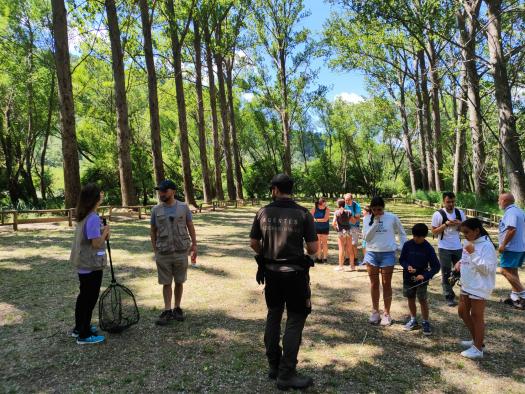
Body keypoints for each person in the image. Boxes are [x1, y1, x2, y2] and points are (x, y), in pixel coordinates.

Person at [249, 173, 317, 391]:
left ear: (275, 190)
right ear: (290, 189)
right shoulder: (303, 214)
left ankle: (274, 365)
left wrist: (266, 256)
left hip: (271, 274)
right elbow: (314, 248)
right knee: (295, 320)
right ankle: (287, 373)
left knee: (273, 316)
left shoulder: (263, 212)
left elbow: (253, 243)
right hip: (296, 275)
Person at [150, 180, 197, 326]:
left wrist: (194, 244)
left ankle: (177, 308)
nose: (161, 193)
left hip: (181, 250)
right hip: (163, 252)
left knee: (179, 281)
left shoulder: (183, 207)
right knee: (166, 282)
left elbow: (190, 225)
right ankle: (167, 310)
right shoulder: (155, 210)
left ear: (173, 191)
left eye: (164, 190)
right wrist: (155, 249)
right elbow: (153, 230)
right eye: (160, 191)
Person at [69, 183, 109, 345]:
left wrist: (103, 233)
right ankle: (84, 335)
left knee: (83, 297)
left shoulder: (84, 215)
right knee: (89, 299)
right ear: (94, 197)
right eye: (100, 194)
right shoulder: (92, 217)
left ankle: (79, 328)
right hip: (90, 265)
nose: (102, 196)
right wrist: (105, 231)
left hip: (83, 264)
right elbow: (96, 244)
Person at [455, 218, 497, 359]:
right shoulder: (469, 242)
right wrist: (460, 262)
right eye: (463, 233)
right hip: (467, 283)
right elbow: (466, 257)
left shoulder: (486, 246)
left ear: (477, 231)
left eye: (467, 232)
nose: (465, 235)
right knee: (462, 312)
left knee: (476, 316)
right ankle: (476, 341)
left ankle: (478, 349)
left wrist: (472, 253)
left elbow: (487, 269)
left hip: (479, 286)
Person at [363, 196, 407, 326]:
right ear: (371, 209)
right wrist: (375, 223)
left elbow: (402, 233)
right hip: (372, 254)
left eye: (380, 209)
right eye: (374, 209)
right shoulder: (367, 219)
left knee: (386, 283)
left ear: (384, 208)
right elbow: (367, 238)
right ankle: (375, 311)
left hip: (387, 254)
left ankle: (386, 313)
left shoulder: (392, 217)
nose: (377, 212)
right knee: (374, 284)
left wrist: (400, 247)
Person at [399, 223, 440, 335]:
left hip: (421, 279)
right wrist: (407, 266)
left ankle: (425, 322)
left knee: (422, 299)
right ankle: (413, 320)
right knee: (410, 298)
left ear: (424, 236)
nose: (415, 238)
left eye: (418, 236)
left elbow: (436, 266)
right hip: (408, 277)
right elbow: (402, 260)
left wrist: (425, 276)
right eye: (414, 235)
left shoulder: (428, 248)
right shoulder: (407, 245)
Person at [431, 192, 466, 307]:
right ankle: (449, 296)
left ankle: (465, 294)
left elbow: (466, 230)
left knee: (462, 271)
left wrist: (459, 224)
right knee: (446, 272)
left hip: (458, 247)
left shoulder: (460, 213)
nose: (451, 204)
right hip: (444, 247)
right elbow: (434, 231)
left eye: (452, 202)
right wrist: (445, 224)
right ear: (443, 202)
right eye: (448, 202)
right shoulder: (438, 214)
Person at [497, 192, 525, 309]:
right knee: (513, 272)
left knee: (504, 270)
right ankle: (515, 298)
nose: (498, 202)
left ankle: (523, 295)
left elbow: (512, 229)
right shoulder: (519, 211)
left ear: (504, 201)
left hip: (511, 248)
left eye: (499, 200)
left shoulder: (510, 213)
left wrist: (503, 244)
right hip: (520, 247)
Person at [333, 199, 353, 271]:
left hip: (341, 232)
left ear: (338, 205)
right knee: (350, 248)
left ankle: (341, 266)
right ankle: (352, 266)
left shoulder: (336, 212)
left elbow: (333, 223)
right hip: (348, 231)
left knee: (341, 249)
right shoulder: (349, 211)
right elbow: (352, 221)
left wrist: (337, 229)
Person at [311, 198, 330, 264]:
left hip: (325, 228)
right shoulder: (314, 209)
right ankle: (319, 258)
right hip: (316, 228)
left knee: (324, 243)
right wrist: (314, 220)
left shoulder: (327, 209)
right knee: (318, 243)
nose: (326, 203)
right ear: (320, 203)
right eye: (324, 202)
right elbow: (310, 218)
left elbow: (325, 219)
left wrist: (316, 220)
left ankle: (325, 258)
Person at [344, 193, 362, 265]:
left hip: (354, 227)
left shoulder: (356, 206)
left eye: (348, 200)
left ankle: (355, 259)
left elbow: (357, 219)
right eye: (345, 200)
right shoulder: (343, 205)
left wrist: (349, 218)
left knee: (354, 244)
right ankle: (347, 258)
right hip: (345, 227)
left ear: (352, 199)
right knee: (345, 243)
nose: (346, 202)